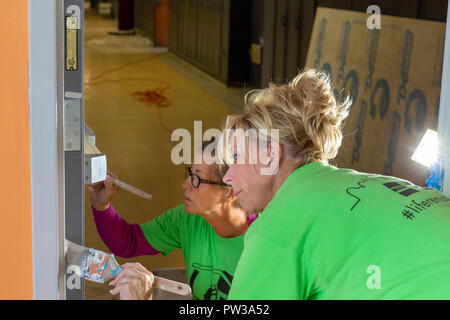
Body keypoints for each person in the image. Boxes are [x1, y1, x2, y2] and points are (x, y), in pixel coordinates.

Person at [220, 69, 450, 299]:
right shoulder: (349, 184)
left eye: (237, 158)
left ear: (269, 156)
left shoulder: (280, 225)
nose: (227, 177)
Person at [89, 140, 257, 300]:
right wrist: (102, 206)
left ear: (231, 191)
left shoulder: (264, 238)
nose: (185, 184)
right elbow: (128, 242)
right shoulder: (187, 219)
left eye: (197, 179)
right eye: (190, 173)